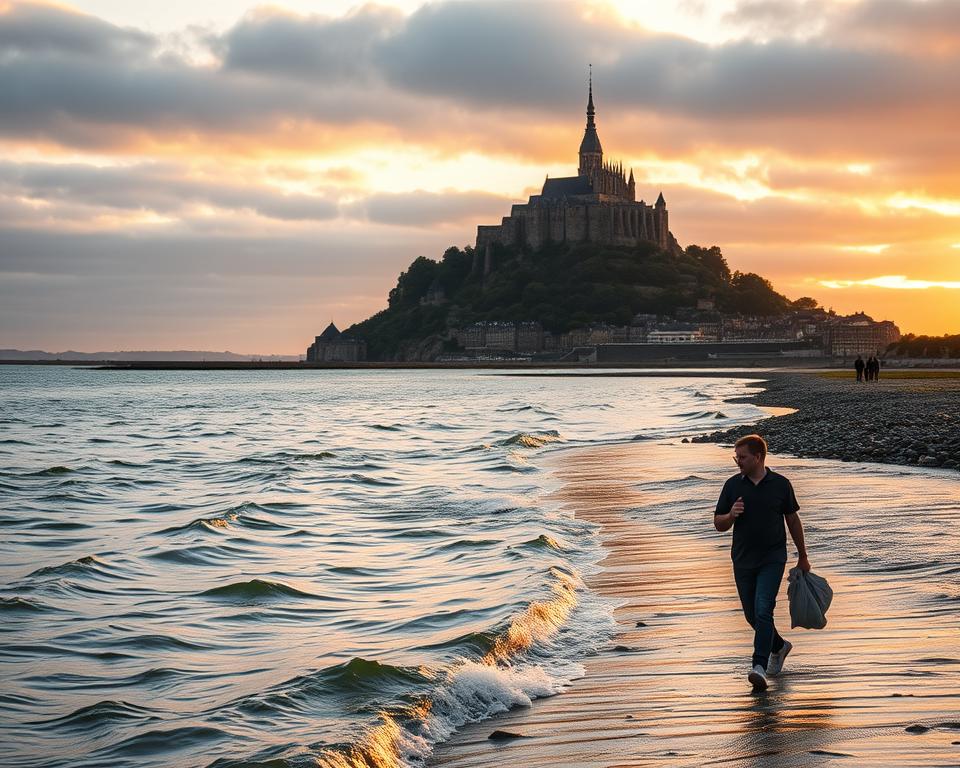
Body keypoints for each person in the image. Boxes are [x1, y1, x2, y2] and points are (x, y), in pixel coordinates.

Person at [714, 434, 810, 691]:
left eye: (742, 457)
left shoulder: (781, 484)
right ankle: (779, 646)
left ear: (758, 457)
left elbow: (792, 521)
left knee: (763, 609)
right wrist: (731, 515)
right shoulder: (732, 486)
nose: (738, 461)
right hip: (742, 559)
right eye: (737, 457)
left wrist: (803, 556)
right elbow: (718, 524)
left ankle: (758, 665)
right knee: (751, 615)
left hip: (772, 559)